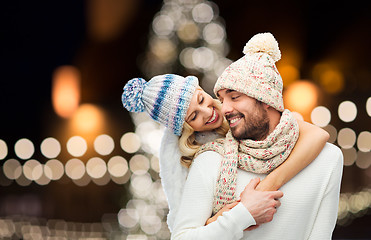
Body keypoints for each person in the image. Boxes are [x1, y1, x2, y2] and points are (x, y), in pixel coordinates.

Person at [170, 32, 343, 239]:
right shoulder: (210, 160)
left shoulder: (328, 159)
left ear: (266, 99)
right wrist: (242, 215)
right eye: (222, 99)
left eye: (234, 97)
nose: (224, 109)